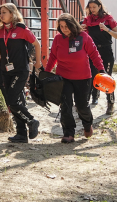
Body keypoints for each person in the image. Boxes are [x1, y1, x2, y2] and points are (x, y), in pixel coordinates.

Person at [45, 13, 106, 143]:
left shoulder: (84, 37)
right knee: (65, 106)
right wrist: (46, 73)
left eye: (66, 26)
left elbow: (94, 54)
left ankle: (87, 124)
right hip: (63, 77)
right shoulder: (58, 39)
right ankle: (68, 133)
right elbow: (53, 57)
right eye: (61, 27)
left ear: (73, 25)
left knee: (82, 106)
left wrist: (102, 70)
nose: (64, 29)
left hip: (82, 77)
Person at [0, 3, 42, 143]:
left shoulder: (21, 29)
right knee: (12, 102)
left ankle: (31, 120)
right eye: (0, 13)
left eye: (4, 12)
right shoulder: (0, 31)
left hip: (20, 70)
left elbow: (36, 44)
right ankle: (21, 133)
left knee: (12, 100)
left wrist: (38, 62)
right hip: (4, 71)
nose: (1, 15)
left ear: (12, 14)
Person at [82, 0, 117, 114]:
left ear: (100, 6)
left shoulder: (108, 19)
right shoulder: (87, 20)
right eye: (90, 7)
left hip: (106, 51)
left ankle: (110, 104)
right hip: (92, 52)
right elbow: (81, 35)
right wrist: (80, 29)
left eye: (94, 7)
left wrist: (107, 29)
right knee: (91, 76)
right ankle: (89, 100)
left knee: (107, 78)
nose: (92, 9)